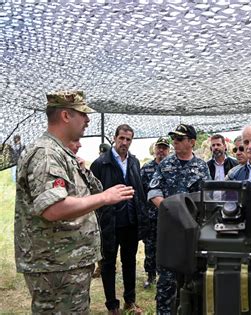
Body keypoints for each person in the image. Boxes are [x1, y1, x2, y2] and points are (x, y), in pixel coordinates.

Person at [14, 90, 135, 314]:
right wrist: (105, 197)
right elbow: (53, 208)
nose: (88, 120)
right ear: (66, 116)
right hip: (55, 265)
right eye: (83, 114)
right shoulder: (46, 153)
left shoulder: (61, 153)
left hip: (66, 262)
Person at [148, 124, 210, 315]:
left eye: (180, 138)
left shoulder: (201, 167)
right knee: (166, 280)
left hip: (192, 232)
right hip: (169, 231)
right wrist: (171, 209)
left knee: (193, 279)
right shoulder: (165, 164)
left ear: (191, 142)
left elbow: (207, 197)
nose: (175, 141)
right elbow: (153, 191)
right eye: (174, 138)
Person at [90, 124, 148, 315]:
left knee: (129, 261)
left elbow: (138, 191)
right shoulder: (100, 164)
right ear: (114, 138)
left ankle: (130, 302)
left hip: (130, 221)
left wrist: (140, 218)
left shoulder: (134, 162)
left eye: (128, 139)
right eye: (121, 138)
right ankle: (112, 306)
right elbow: (93, 196)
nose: (124, 142)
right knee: (108, 264)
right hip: (110, 223)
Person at [140, 137, 171, 289]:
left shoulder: (172, 168)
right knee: (150, 247)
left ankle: (164, 275)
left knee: (167, 246)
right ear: (155, 149)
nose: (161, 150)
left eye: (164, 148)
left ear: (168, 150)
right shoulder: (146, 168)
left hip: (168, 218)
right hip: (150, 217)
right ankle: (150, 275)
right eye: (159, 147)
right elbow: (140, 192)